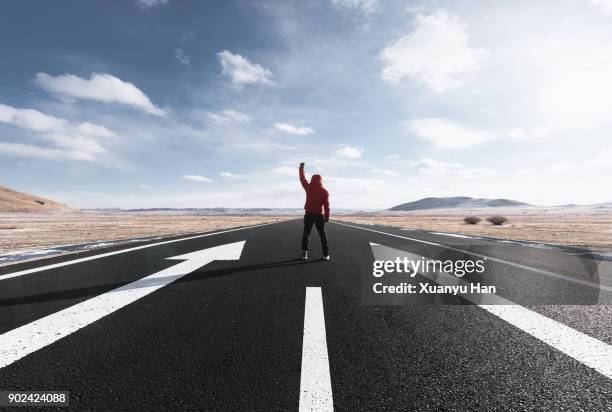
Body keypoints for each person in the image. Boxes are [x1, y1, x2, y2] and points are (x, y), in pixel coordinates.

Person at [299, 162, 330, 260]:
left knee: (306, 233)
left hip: (308, 214)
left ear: (312, 180)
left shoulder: (308, 188)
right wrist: (327, 217)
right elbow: (327, 206)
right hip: (319, 215)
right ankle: (326, 254)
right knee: (322, 234)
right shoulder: (324, 191)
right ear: (321, 180)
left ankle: (304, 253)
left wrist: (301, 168)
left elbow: (302, 179)